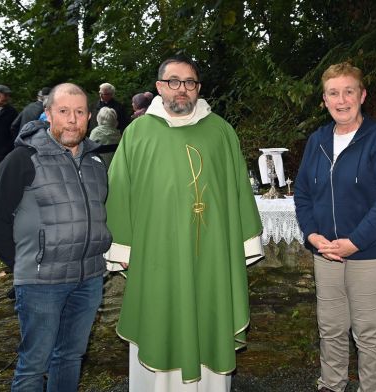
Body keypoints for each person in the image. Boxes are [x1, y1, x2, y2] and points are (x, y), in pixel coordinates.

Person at [105, 55, 263, 391]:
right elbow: (120, 190)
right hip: (156, 256)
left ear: (198, 89)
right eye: (174, 82)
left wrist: (245, 243)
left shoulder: (221, 132)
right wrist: (123, 245)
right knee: (158, 316)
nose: (182, 90)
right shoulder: (138, 133)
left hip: (212, 258)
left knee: (210, 314)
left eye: (189, 83)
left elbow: (238, 193)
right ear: (160, 87)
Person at [0, 83, 112, 391]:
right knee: (33, 366)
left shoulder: (96, 163)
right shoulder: (22, 159)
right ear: (48, 115)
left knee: (70, 357)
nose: (72, 120)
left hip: (89, 280)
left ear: (89, 117)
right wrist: (26, 265)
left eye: (79, 112)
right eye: (64, 111)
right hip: (41, 283)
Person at [294, 62, 376, 392]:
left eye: (349, 91)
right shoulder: (317, 140)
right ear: (324, 100)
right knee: (330, 327)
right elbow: (302, 193)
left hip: (371, 253)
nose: (341, 100)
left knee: (367, 332)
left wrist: (354, 242)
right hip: (326, 252)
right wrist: (313, 236)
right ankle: (332, 384)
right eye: (333, 93)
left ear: (362, 95)